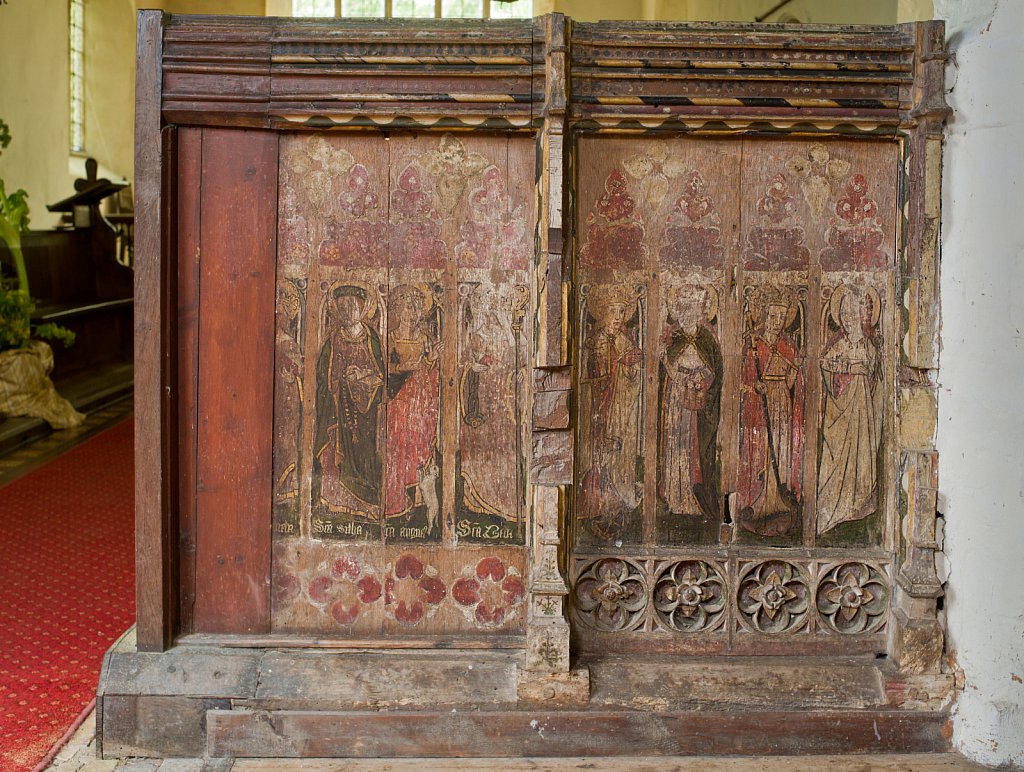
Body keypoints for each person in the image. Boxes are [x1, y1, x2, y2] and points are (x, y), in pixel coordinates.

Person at [311, 284, 385, 521]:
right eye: (343, 307)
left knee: (365, 455)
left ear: (363, 309)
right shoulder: (333, 340)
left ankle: (368, 503)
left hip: (367, 411)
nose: (348, 311)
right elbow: (322, 377)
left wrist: (362, 376)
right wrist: (341, 379)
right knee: (337, 455)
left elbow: (383, 374)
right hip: (340, 408)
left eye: (353, 306)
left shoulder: (371, 338)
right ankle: (338, 500)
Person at [737, 288, 805, 537]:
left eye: (782, 317)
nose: (777, 322)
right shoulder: (754, 344)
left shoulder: (787, 346)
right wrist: (754, 386)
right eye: (773, 316)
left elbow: (788, 385)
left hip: (779, 403)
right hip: (758, 404)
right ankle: (756, 501)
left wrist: (796, 370)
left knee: (780, 450)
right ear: (765, 316)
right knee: (759, 452)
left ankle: (777, 500)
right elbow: (741, 383)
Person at [817, 286, 883, 535]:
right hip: (840, 411)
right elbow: (825, 365)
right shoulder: (839, 344)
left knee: (860, 454)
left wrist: (855, 367)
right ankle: (834, 508)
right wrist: (840, 368)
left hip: (861, 411)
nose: (847, 318)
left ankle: (857, 503)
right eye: (843, 313)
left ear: (862, 314)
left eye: (852, 312)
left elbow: (873, 372)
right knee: (836, 456)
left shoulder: (868, 346)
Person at [578, 285, 643, 538]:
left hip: (621, 408)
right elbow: (593, 376)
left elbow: (634, 366)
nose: (617, 317)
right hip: (599, 406)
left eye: (621, 312)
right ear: (603, 315)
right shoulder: (595, 340)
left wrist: (630, 365)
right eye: (612, 312)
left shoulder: (624, 338)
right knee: (599, 454)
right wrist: (618, 362)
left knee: (618, 456)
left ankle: (617, 499)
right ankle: (597, 502)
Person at [659, 287, 722, 519]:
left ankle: (692, 495)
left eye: (693, 308)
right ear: (677, 311)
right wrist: (668, 364)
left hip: (697, 400)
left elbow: (715, 370)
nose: (689, 312)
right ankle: (675, 495)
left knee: (693, 446)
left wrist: (701, 379)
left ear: (701, 311)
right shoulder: (672, 339)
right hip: (676, 398)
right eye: (684, 308)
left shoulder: (707, 339)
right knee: (675, 444)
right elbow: (665, 370)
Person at [384, 284, 443, 531]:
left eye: (413, 305)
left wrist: (430, 362)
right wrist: (412, 367)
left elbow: (433, 372)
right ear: (396, 308)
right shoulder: (389, 337)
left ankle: (418, 504)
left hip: (419, 406)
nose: (409, 311)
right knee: (396, 453)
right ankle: (397, 504)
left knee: (418, 455)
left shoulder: (424, 339)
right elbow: (385, 370)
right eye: (404, 305)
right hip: (397, 405)